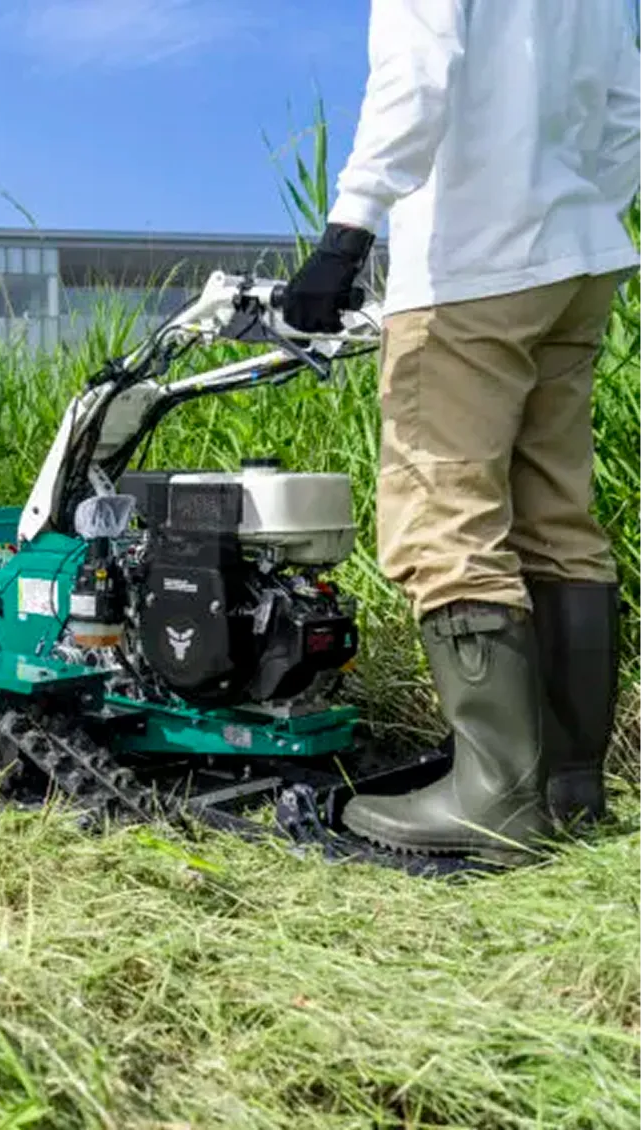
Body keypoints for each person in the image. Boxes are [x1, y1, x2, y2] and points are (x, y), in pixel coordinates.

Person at [279, 0, 641, 863]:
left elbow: (414, 77)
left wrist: (346, 232)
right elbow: (627, 108)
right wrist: (577, 210)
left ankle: (494, 797)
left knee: (443, 514)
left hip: (470, 266)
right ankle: (567, 785)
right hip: (577, 258)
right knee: (557, 519)